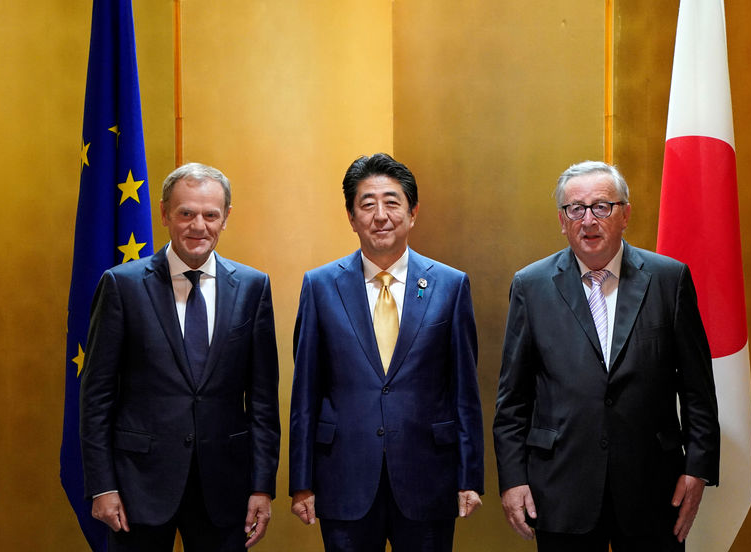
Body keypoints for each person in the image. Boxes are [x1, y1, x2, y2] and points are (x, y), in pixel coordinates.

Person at [493, 161, 720, 551]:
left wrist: (697, 469)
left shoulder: (669, 279)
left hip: (654, 486)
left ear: (625, 214)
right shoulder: (530, 286)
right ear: (562, 221)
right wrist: (513, 479)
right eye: (575, 209)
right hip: (562, 486)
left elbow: (698, 390)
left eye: (602, 206)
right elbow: (513, 399)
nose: (588, 220)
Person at [289, 153, 485, 552]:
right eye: (367, 203)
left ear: (412, 213)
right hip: (343, 478)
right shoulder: (320, 285)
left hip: (428, 477)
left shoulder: (450, 284)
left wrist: (470, 477)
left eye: (392, 202)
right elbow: (305, 393)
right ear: (350, 216)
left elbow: (464, 391)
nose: (381, 215)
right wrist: (301, 482)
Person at [80, 163, 280, 551]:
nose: (198, 226)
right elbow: (96, 397)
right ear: (164, 214)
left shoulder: (254, 287)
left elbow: (262, 402)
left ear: (226, 218)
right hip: (138, 485)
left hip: (224, 486)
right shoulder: (122, 286)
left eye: (210, 215)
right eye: (186, 213)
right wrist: (102, 485)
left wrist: (262, 486)